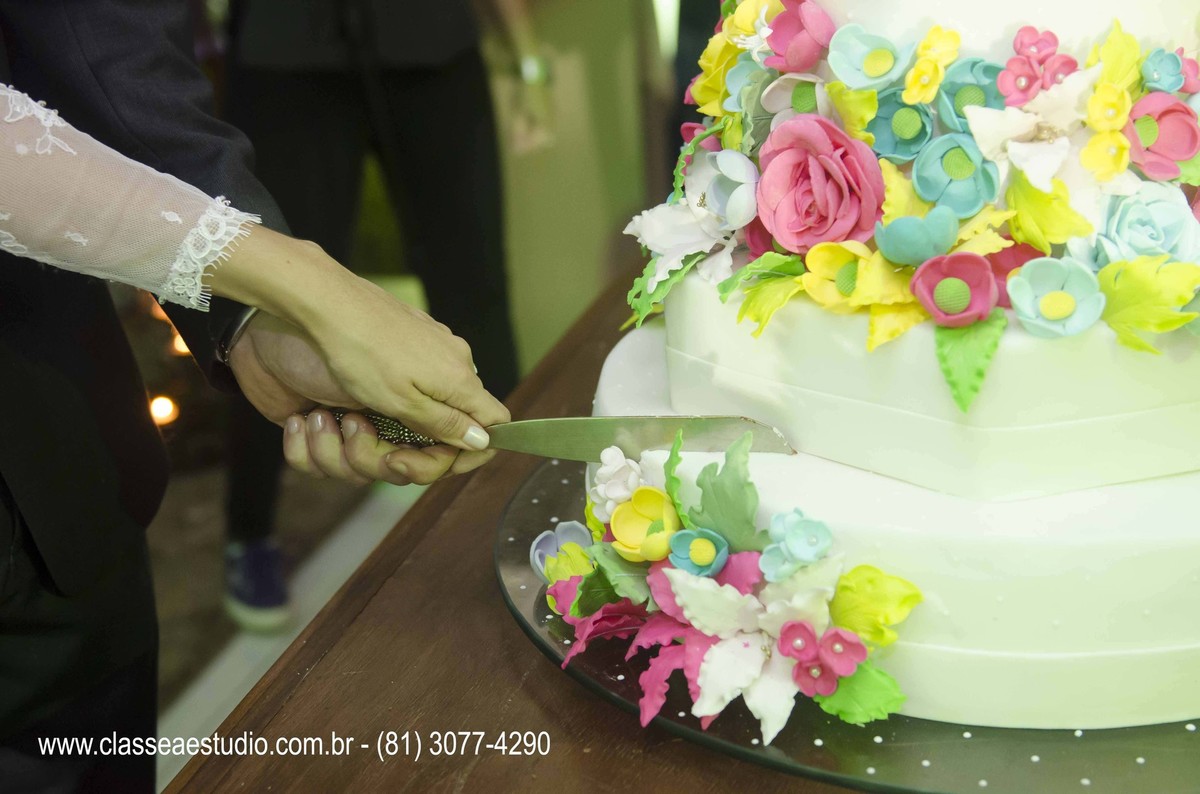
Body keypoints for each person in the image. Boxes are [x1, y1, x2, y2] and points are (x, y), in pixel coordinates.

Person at [0, 3, 506, 790]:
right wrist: (311, 285)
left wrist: (253, 324)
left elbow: (107, 41)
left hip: (55, 487)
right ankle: (251, 539)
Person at [214, 0, 548, 628]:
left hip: (430, 42)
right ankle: (250, 530)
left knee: (473, 282)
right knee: (266, 310)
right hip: (286, 52)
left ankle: (508, 505)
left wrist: (529, 59)